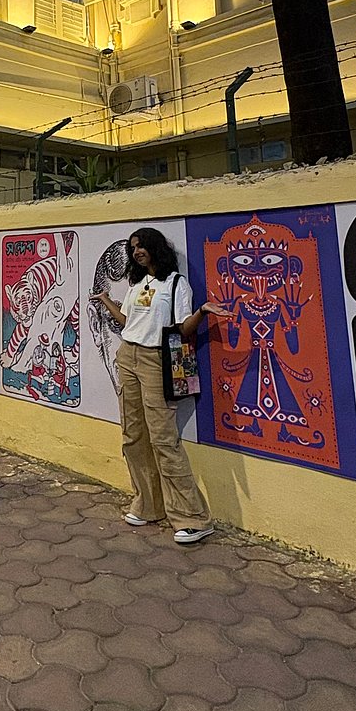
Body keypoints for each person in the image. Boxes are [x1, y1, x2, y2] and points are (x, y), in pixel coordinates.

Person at [93, 227, 226, 546]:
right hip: (128, 355)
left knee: (164, 439)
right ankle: (149, 505)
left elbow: (182, 328)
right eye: (133, 247)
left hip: (156, 360)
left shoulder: (176, 283)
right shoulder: (137, 282)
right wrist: (106, 301)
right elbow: (127, 322)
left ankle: (193, 518)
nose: (137, 251)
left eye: (141, 246)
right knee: (133, 434)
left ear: (155, 247)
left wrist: (202, 312)